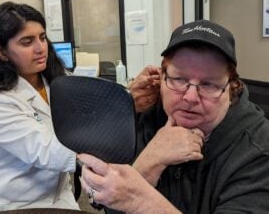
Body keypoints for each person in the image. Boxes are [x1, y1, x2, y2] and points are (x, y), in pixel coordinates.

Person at [0, 1, 160, 213]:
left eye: (42, 37)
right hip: (5, 202)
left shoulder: (55, 80)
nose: (41, 48)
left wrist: (127, 97)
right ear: (1, 52)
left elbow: (91, 108)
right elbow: (48, 149)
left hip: (56, 196)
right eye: (27, 42)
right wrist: (123, 114)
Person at [78, 20, 269, 213]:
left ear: (231, 88)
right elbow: (97, 197)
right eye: (179, 79)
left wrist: (138, 199)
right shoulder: (147, 115)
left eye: (209, 84)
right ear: (161, 79)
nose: (190, 97)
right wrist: (149, 161)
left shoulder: (258, 149)